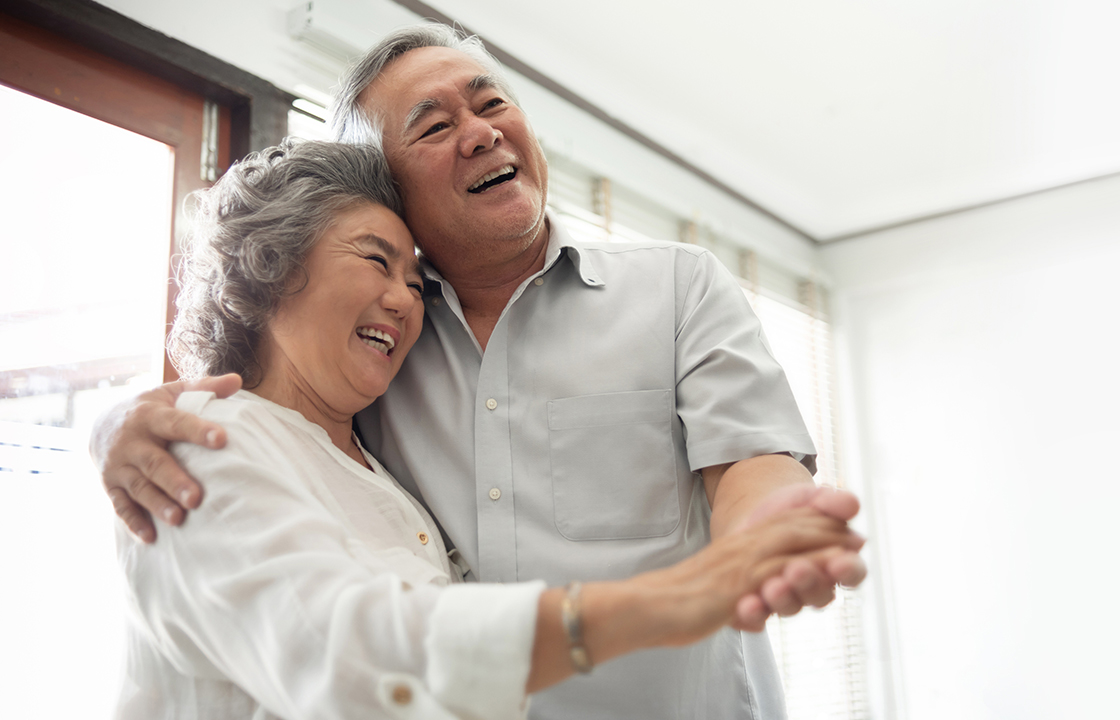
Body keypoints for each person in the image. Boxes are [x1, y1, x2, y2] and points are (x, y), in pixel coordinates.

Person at [93, 25, 867, 720]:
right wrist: (115, 428)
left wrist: (764, 537)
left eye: (491, 102)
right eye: (433, 126)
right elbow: (335, 620)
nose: (480, 132)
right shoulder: (351, 372)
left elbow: (754, 462)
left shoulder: (677, 285)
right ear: (388, 192)